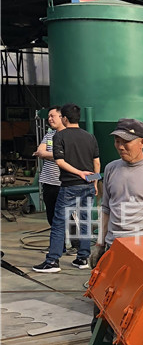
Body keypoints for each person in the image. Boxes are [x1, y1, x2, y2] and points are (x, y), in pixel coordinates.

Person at [90, 118, 143, 265]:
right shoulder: (111, 169)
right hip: (114, 245)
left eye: (126, 142)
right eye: (117, 141)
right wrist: (100, 244)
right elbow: (106, 209)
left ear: (142, 142)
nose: (120, 147)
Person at [33, 103, 99, 273]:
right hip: (88, 186)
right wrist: (94, 182)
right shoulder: (89, 137)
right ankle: (82, 258)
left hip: (70, 185)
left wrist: (79, 173)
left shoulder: (60, 136)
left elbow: (60, 161)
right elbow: (96, 162)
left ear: (64, 118)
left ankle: (52, 261)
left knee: (58, 222)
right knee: (85, 221)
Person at [33, 106, 64, 228]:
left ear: (62, 117)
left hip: (63, 183)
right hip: (48, 182)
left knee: (67, 216)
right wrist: (58, 156)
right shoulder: (49, 135)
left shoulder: (69, 136)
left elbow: (69, 155)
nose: (50, 119)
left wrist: (49, 155)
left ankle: (71, 240)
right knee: (51, 216)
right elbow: (40, 152)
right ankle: (58, 240)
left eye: (52, 116)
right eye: (49, 117)